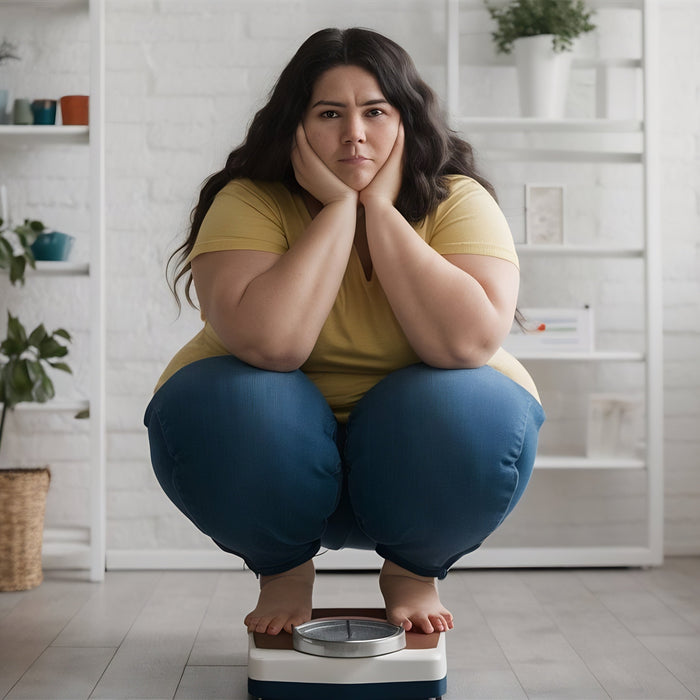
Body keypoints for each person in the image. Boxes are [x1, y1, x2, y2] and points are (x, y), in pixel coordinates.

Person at [144, 27, 544, 637]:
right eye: (329, 113)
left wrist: (380, 211)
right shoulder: (249, 199)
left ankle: (413, 570)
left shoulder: (457, 199)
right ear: (296, 126)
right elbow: (271, 346)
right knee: (238, 395)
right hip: (268, 458)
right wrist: (337, 212)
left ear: (406, 122)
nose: (354, 133)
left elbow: (464, 345)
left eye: (375, 112)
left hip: (424, 459)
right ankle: (283, 570)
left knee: (467, 398)